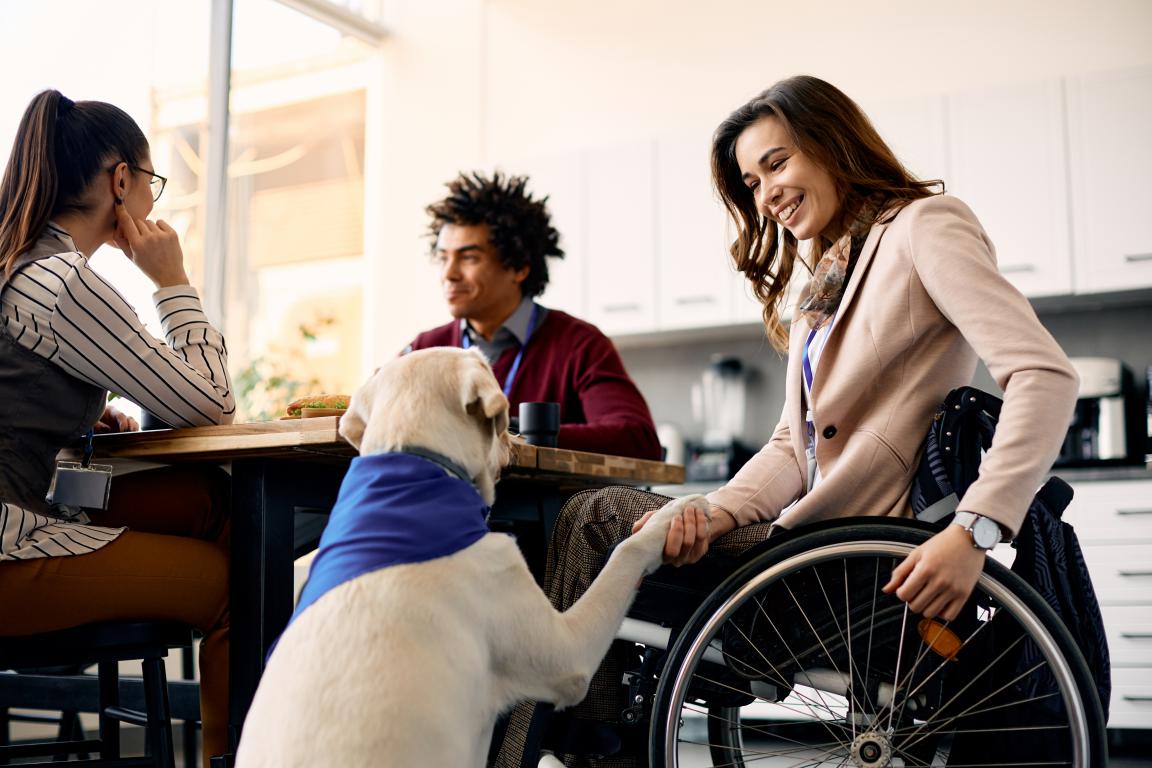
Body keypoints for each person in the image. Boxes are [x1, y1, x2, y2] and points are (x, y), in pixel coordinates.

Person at [495, 75, 1079, 767]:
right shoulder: (824, 282)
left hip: (845, 568)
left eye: (777, 163)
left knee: (591, 520)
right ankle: (583, 743)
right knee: (586, 530)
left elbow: (1044, 376)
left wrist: (975, 528)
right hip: (804, 555)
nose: (764, 193)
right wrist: (710, 513)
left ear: (832, 144)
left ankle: (545, 753)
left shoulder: (925, 226)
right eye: (750, 181)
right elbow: (790, 448)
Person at [0, 90, 235, 767]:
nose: (153, 205)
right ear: (122, 181)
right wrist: (173, 282)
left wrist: (68, 415)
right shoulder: (62, 281)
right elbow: (210, 403)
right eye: (151, 183)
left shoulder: (16, 261)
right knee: (231, 582)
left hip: (29, 504)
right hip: (11, 539)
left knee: (211, 504)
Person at [405, 171, 662, 461]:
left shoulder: (579, 344)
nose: (449, 274)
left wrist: (507, 432)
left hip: (540, 506)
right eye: (443, 257)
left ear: (519, 267)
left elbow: (637, 439)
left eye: (469, 257)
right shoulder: (424, 349)